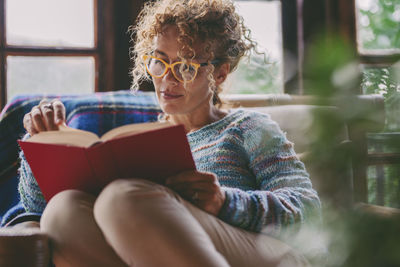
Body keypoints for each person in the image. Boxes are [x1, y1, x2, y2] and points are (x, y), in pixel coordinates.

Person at [15, 0, 320, 266]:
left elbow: (307, 209)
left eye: (185, 67)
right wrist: (44, 139)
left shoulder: (248, 128)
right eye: (160, 62)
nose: (167, 80)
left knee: (123, 199)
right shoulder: (141, 141)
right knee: (61, 212)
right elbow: (36, 210)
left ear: (220, 72)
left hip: (262, 254)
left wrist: (225, 202)